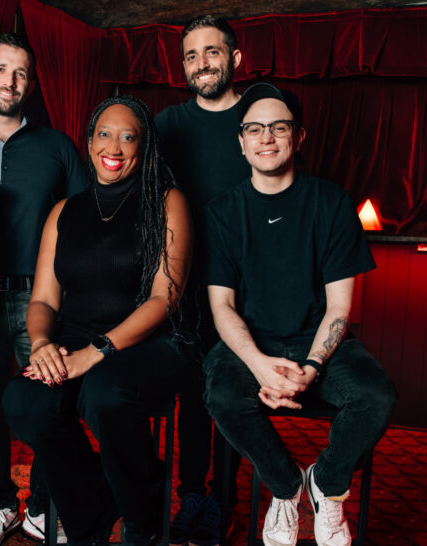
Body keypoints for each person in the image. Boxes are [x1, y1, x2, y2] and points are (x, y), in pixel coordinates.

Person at [201, 82, 397, 546]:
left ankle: (326, 486)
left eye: (279, 127)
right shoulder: (223, 212)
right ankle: (287, 488)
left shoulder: (331, 204)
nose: (266, 137)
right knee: (223, 395)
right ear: (242, 142)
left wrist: (310, 367)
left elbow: (339, 307)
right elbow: (221, 305)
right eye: (255, 129)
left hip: (318, 344)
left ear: (299, 137)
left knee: (376, 395)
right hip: (252, 343)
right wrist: (259, 364)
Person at [2, 96, 195, 546]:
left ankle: (141, 521)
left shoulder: (168, 202)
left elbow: (165, 298)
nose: (115, 146)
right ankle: (97, 502)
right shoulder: (64, 212)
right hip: (75, 336)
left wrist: (98, 353)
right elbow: (45, 300)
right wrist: (42, 343)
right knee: (23, 400)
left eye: (129, 137)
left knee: (104, 394)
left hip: (151, 342)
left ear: (144, 147)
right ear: (89, 143)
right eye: (104, 134)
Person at [0, 32, 90, 543]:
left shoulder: (57, 146)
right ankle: (2, 504)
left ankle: (40, 504)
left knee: (46, 401)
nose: (9, 81)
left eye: (20, 73)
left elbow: (84, 220)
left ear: (29, 83)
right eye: (0, 69)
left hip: (45, 298)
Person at [154, 15, 250, 545]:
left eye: (212, 52)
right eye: (191, 55)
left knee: (231, 396)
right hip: (185, 287)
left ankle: (224, 498)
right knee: (192, 395)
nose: (201, 64)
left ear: (235, 58)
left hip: (242, 288)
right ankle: (192, 496)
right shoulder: (168, 124)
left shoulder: (258, 116)